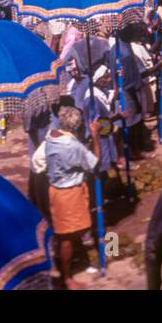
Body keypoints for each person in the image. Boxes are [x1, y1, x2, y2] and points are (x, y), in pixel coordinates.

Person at [31, 105, 99, 290]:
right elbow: (95, 165)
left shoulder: (52, 136)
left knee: (65, 233)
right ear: (77, 126)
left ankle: (66, 265)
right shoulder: (73, 146)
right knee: (67, 236)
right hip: (69, 194)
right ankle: (66, 277)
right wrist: (95, 136)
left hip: (55, 190)